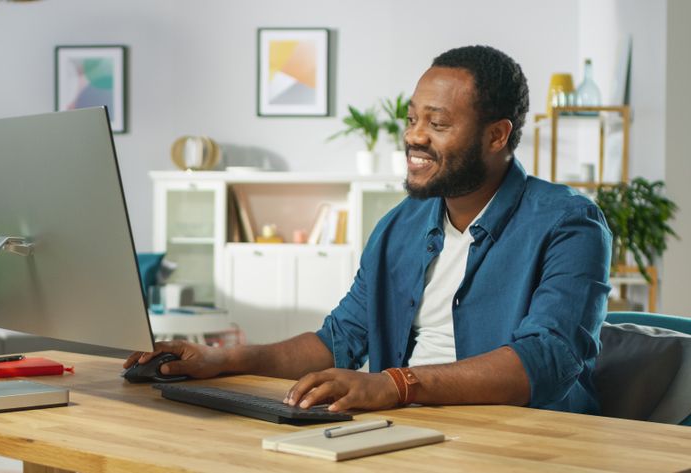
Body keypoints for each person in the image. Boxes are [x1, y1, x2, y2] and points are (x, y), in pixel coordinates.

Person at [125, 45, 611, 414]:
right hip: (406, 430)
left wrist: (396, 384)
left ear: (497, 135)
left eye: (437, 123)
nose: (415, 136)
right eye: (413, 118)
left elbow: (547, 360)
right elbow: (339, 339)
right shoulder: (400, 225)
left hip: (527, 440)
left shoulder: (568, 223)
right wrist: (221, 360)